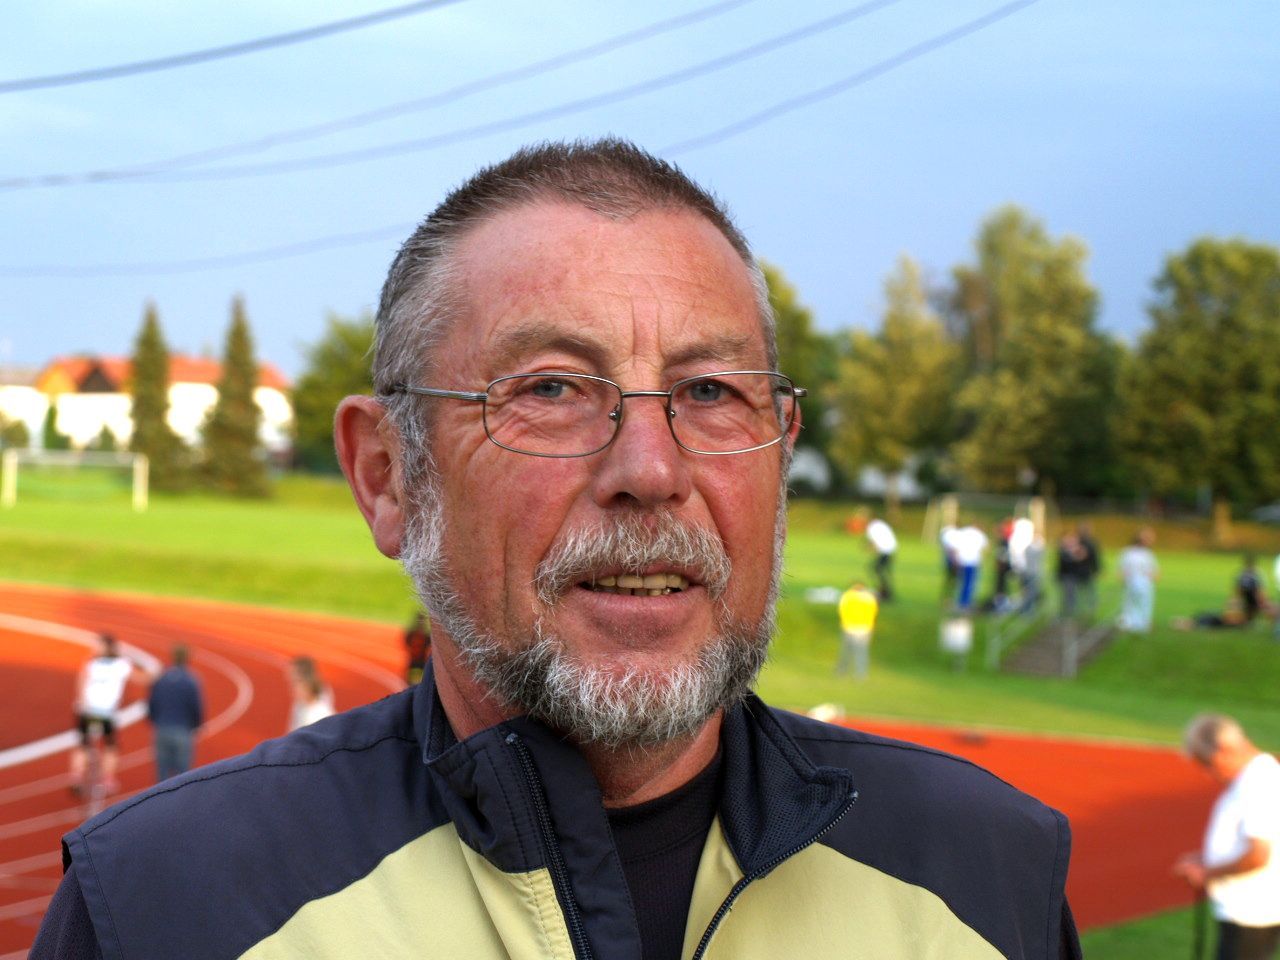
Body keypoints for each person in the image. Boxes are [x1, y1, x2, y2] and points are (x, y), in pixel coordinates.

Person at [34, 140, 1079, 960]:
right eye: (549, 388)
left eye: (709, 391)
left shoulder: (992, 876)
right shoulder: (162, 907)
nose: (651, 468)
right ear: (388, 475)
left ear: (782, 452)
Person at [1174, 715, 1280, 959]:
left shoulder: (1258, 783)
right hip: (1252, 910)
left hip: (1250, 912)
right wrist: (1208, 859)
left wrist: (1207, 872)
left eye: (1209, 764)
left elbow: (1258, 855)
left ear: (1223, 749)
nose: (1210, 774)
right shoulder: (1260, 776)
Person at [68, 633, 133, 797]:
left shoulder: (92, 664)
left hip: (88, 710)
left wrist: (83, 703)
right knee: (110, 746)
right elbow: (139, 676)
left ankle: (76, 777)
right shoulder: (121, 664)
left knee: (84, 744)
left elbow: (81, 682)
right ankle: (107, 780)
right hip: (106, 712)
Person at [146, 644, 203, 782]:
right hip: (182, 730)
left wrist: (155, 720)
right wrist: (197, 726)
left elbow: (152, 703)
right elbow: (195, 706)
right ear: (187, 658)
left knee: (162, 776)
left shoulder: (161, 678)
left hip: (162, 729)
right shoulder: (191, 680)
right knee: (183, 778)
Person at [1116, 527, 1159, 633]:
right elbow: (1121, 570)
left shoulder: (1149, 554)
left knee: (1144, 604)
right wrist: (1125, 578)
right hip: (1131, 584)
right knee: (1130, 605)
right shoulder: (1128, 552)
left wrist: (1148, 577)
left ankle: (1143, 623)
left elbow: (1155, 573)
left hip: (1145, 585)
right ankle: (1129, 622)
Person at [835, 580, 878, 679]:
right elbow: (874, 612)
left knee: (846, 651)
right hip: (865, 627)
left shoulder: (847, 596)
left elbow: (842, 610)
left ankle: (842, 671)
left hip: (849, 627)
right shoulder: (869, 597)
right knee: (862, 651)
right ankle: (860, 673)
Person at [287, 655, 334, 731]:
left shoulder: (313, 719)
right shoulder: (302, 702)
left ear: (306, 682)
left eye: (295, 681)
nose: (291, 687)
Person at [950, 519, 989, 611]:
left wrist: (955, 559)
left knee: (961, 582)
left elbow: (954, 547)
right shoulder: (980, 535)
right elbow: (986, 547)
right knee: (970, 583)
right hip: (973, 561)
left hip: (962, 561)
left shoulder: (962, 532)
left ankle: (960, 602)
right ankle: (966, 603)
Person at [864, 515, 897, 601]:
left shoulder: (871, 527)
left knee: (877, 569)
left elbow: (873, 542)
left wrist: (869, 548)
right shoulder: (880, 524)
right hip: (891, 549)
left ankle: (885, 592)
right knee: (881, 570)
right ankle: (885, 591)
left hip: (885, 550)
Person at [403, 609, 432, 684]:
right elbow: (407, 641)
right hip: (414, 659)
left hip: (421, 660)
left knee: (422, 679)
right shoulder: (413, 633)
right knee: (409, 679)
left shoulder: (425, 635)